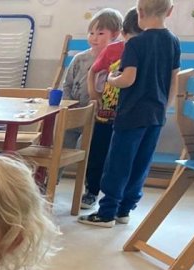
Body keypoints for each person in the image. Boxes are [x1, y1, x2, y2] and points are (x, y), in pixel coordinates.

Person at [80, 0, 177, 226]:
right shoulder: (173, 41)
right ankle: (124, 210)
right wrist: (165, 107)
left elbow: (128, 79)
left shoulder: (135, 43)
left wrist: (112, 79)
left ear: (140, 11)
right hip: (157, 114)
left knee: (118, 164)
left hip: (131, 114)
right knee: (140, 164)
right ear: (170, 12)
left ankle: (106, 213)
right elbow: (174, 80)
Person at [81, 8, 134, 207]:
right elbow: (93, 71)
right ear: (123, 33)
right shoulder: (113, 50)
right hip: (105, 113)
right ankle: (91, 190)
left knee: (121, 156)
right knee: (98, 152)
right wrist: (94, 94)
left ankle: (118, 198)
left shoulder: (143, 51)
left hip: (128, 114)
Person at [62, 8, 123, 151]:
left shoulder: (116, 62)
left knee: (91, 151)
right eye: (91, 33)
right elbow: (67, 85)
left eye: (100, 33)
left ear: (115, 35)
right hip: (74, 112)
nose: (94, 38)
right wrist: (68, 104)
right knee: (64, 146)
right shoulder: (80, 59)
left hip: (98, 117)